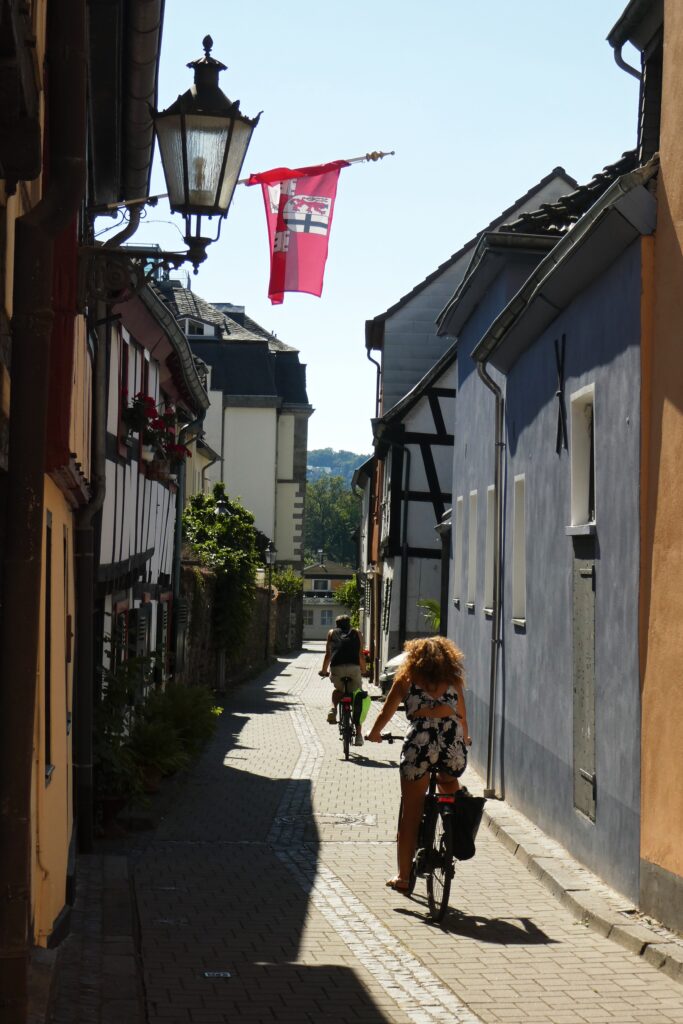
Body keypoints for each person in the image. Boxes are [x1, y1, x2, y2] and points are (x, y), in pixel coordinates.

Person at [366, 636, 471, 892]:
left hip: (419, 747)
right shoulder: (454, 681)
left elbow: (386, 711)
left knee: (410, 814)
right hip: (450, 747)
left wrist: (374, 733)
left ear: (414, 658)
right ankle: (457, 826)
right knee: (450, 788)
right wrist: (464, 738)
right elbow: (462, 717)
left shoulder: (406, 680)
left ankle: (403, 877)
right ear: (448, 658)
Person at [319, 615, 367, 746]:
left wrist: (324, 671)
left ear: (336, 624)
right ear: (349, 623)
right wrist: (364, 669)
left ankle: (333, 709)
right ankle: (358, 736)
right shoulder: (357, 633)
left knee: (338, 691)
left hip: (337, 668)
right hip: (354, 668)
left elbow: (328, 654)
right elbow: (360, 654)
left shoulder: (331, 633)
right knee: (357, 695)